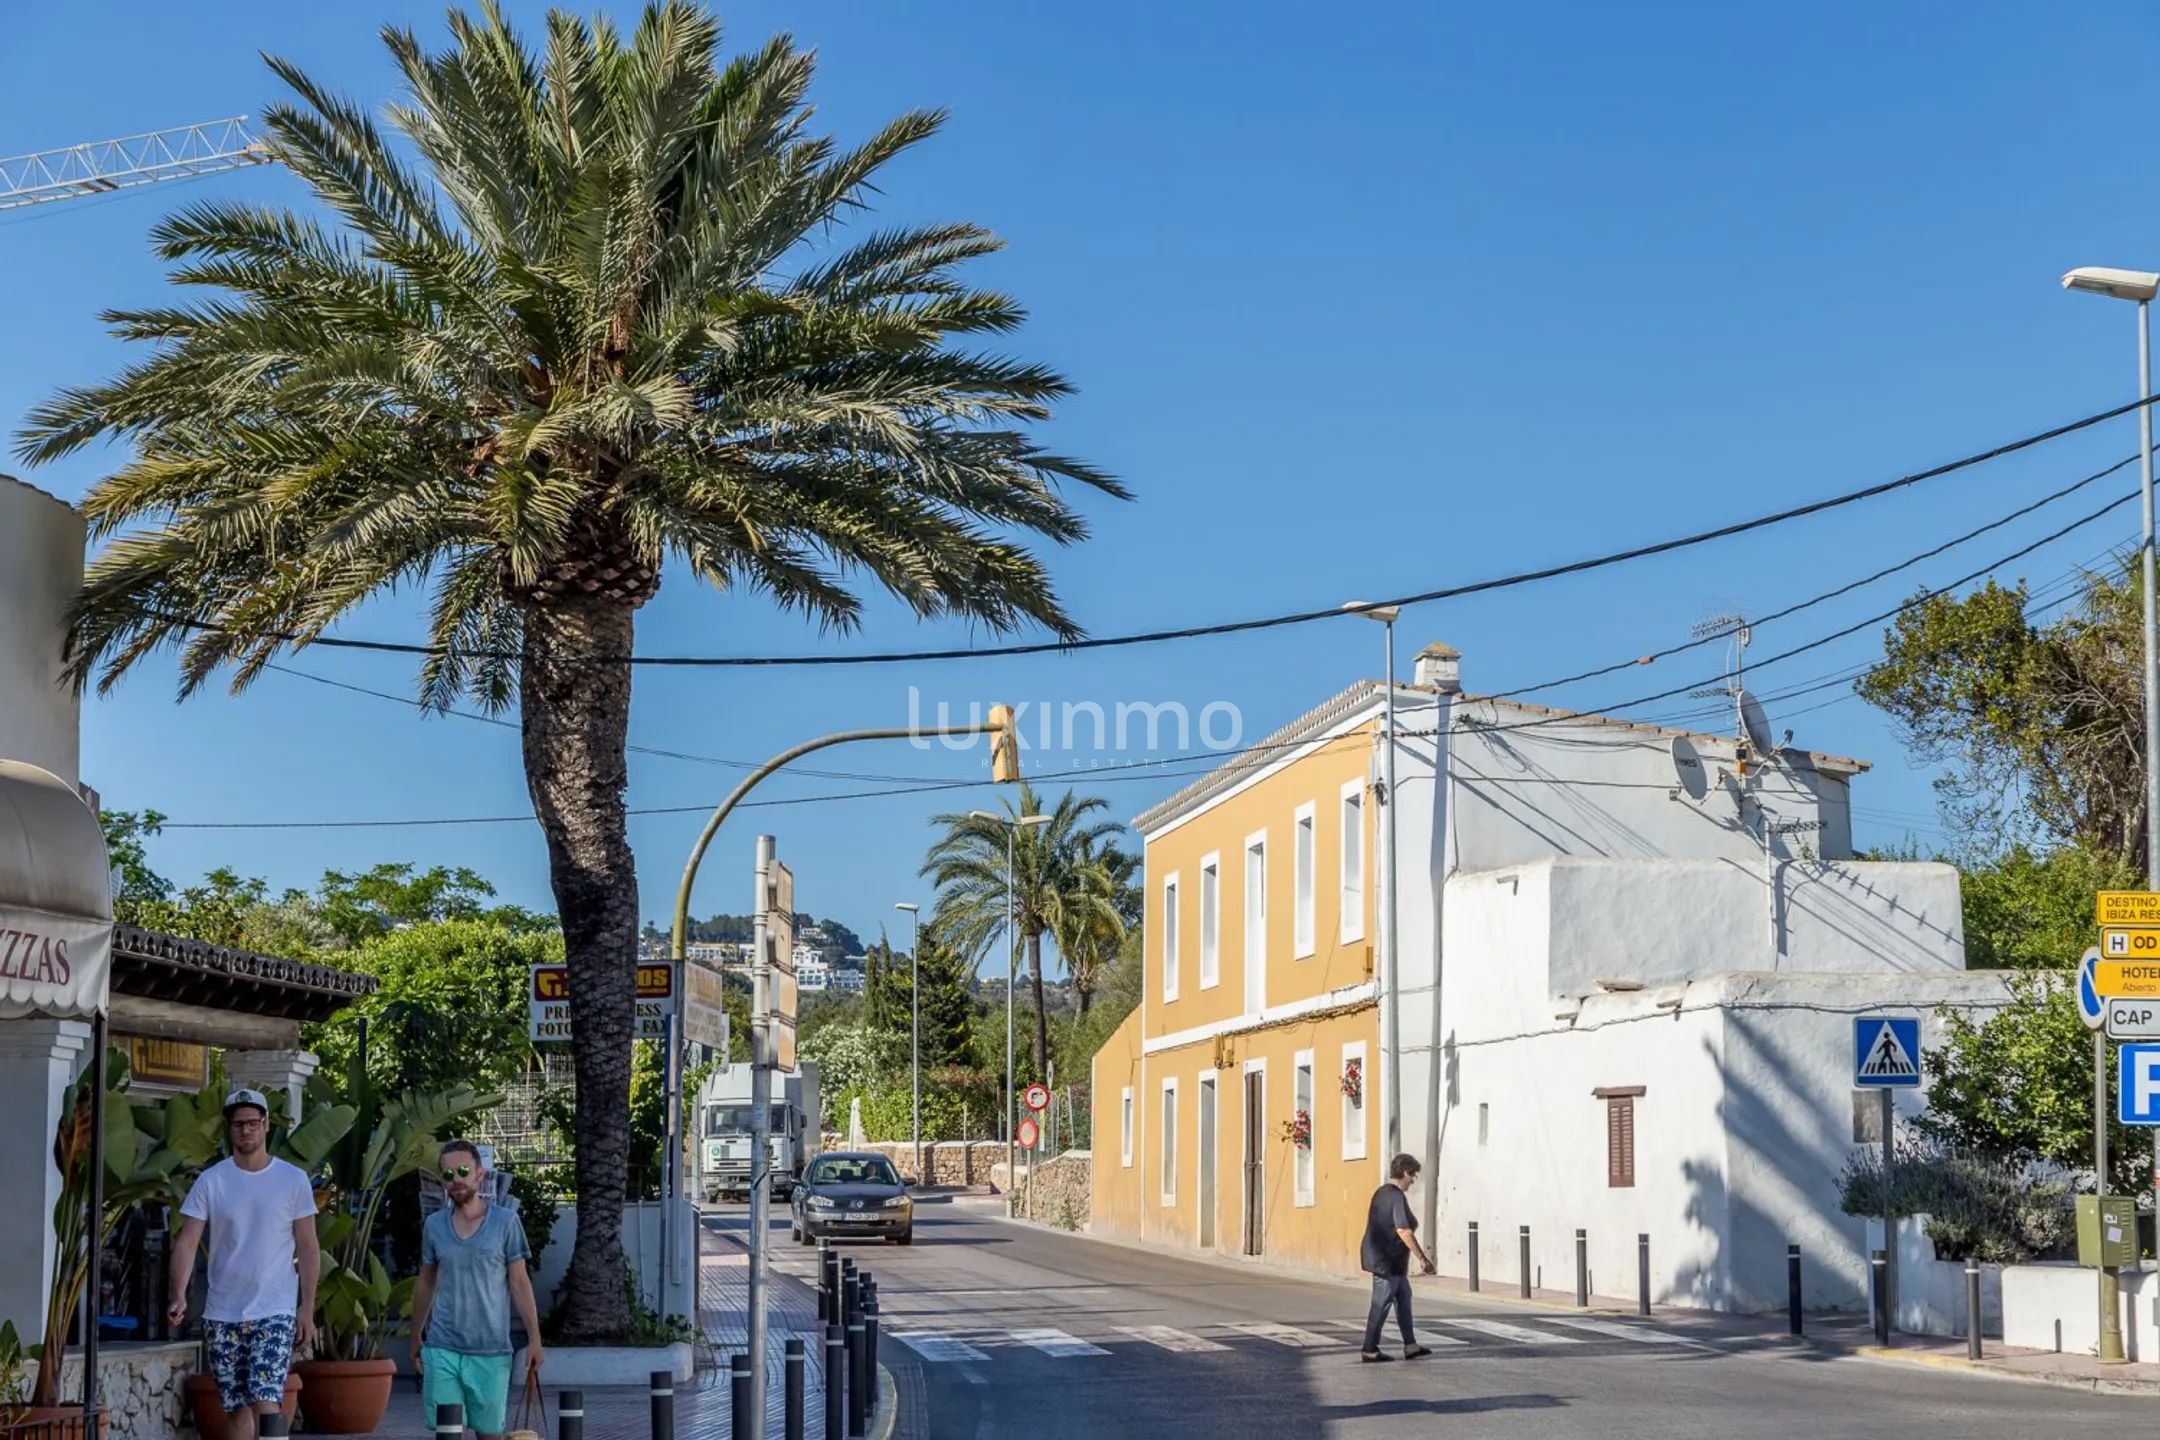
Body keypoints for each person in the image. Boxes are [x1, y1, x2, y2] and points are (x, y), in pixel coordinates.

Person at [168, 1087, 321, 1440]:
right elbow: (187, 1241)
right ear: (229, 1128)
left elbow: (309, 1247)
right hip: (224, 1312)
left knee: (267, 1397)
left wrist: (307, 1308)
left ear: (266, 1125)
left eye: (253, 1122)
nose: (246, 1130)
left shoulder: (292, 1180)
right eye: (238, 1124)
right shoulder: (212, 1181)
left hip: (275, 1308)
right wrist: (179, 1293)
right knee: (236, 1405)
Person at [410, 1140, 544, 1440]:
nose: (455, 1180)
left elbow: (519, 1282)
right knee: (448, 1431)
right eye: (447, 1175)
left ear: (479, 1173)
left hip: (491, 1349)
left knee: (489, 1435)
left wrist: (535, 1339)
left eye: (462, 1171)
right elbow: (426, 1282)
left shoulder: (505, 1223)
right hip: (443, 1347)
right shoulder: (434, 1226)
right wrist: (416, 1335)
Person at [1359, 1151, 1434, 1363]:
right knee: (1381, 1303)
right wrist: (1422, 1258)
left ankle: (1410, 1345)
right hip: (1386, 1260)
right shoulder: (1396, 1196)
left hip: (1391, 1261)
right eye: (1413, 1175)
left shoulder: (1381, 1192)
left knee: (1403, 1298)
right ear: (1405, 1172)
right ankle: (1369, 1348)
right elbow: (1403, 1230)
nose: (1413, 1181)